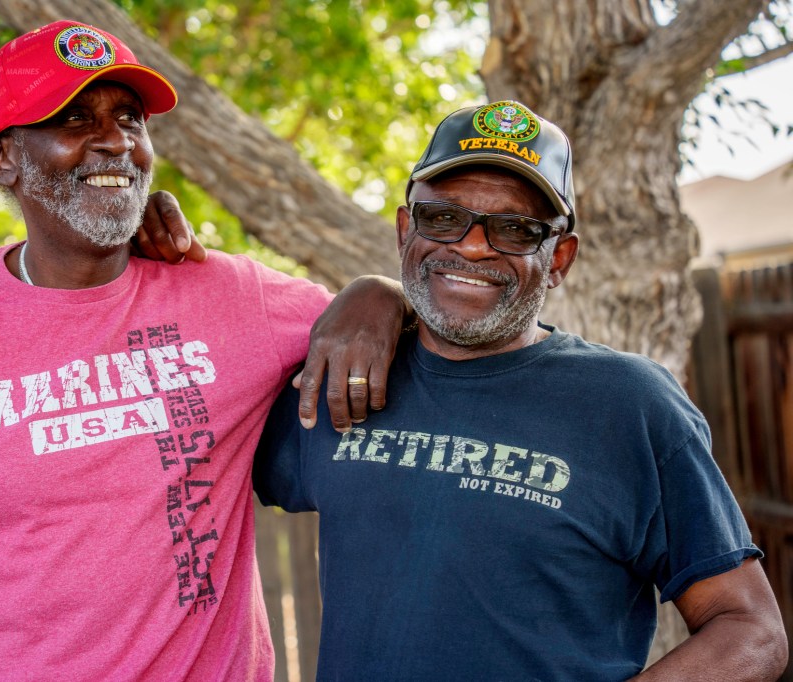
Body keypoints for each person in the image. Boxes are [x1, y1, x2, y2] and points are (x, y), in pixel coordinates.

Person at [0, 20, 411, 680]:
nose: (115, 141)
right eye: (74, 119)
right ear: (4, 158)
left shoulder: (234, 299)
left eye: (130, 118)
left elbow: (418, 325)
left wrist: (382, 292)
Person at [254, 100, 788, 680]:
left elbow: (750, 630)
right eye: (443, 218)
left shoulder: (630, 406)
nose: (474, 246)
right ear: (407, 229)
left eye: (515, 229)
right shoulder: (343, 374)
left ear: (559, 258)